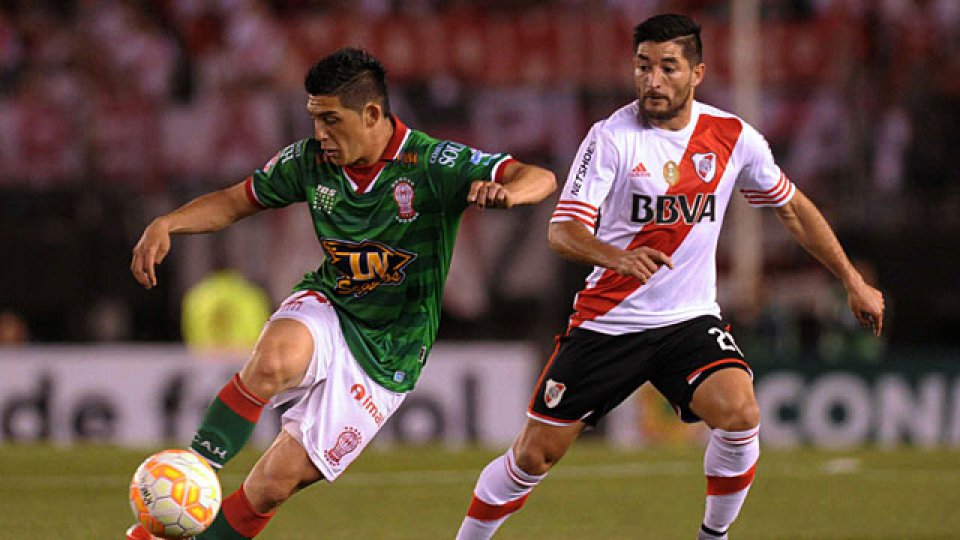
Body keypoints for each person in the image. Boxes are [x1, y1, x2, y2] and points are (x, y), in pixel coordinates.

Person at [455, 14, 884, 540]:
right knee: (533, 456)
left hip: (687, 320)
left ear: (697, 72)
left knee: (741, 413)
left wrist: (851, 279)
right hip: (610, 323)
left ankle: (713, 537)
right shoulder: (612, 138)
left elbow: (792, 208)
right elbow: (562, 231)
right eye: (642, 66)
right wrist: (617, 257)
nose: (652, 80)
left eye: (667, 67)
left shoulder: (732, 137)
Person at [126, 47, 556, 540]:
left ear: (372, 113)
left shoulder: (433, 163)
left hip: (390, 351)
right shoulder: (309, 162)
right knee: (271, 363)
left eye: (331, 120)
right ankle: (193, 472)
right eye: (314, 119)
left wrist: (508, 192)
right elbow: (236, 200)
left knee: (271, 485)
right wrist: (169, 222)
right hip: (332, 304)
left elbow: (538, 177)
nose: (320, 135)